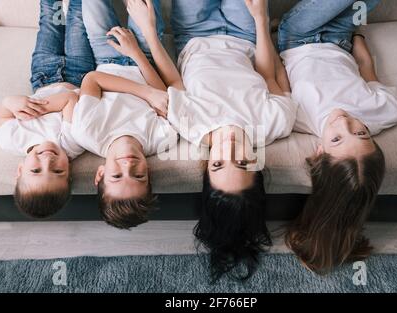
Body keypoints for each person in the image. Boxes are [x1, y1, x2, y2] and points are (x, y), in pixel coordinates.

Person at [126, 0, 297, 280]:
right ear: (257, 163)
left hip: (194, 34)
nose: (229, 148)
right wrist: (260, 20)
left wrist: (149, 31)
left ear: (206, 166)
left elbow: (173, 79)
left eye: (218, 163)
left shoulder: (190, 127)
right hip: (245, 34)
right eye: (241, 162)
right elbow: (269, 73)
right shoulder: (274, 123)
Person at [277, 0, 397, 273]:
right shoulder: (385, 111)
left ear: (319, 152)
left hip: (298, 37)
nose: (344, 122)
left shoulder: (298, 119)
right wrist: (357, 36)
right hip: (340, 39)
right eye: (361, 133)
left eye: (337, 139)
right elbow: (367, 68)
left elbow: (279, 79)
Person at [72, 0, 178, 229]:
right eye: (138, 176)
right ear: (148, 174)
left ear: (100, 174)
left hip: (105, 54)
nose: (128, 166)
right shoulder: (161, 139)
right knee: (145, 7)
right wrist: (136, 53)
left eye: (117, 176)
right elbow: (162, 95)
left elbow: (92, 79)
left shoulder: (87, 132)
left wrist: (146, 93)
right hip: (145, 56)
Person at [0, 0, 95, 218]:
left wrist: (12, 103)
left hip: (43, 74)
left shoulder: (13, 140)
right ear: (68, 174)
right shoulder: (73, 143)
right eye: (57, 171)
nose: (47, 161)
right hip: (79, 72)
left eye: (36, 170)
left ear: (20, 170)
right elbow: (70, 98)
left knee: (50, 20)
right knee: (78, 20)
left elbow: (3, 112)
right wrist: (35, 109)